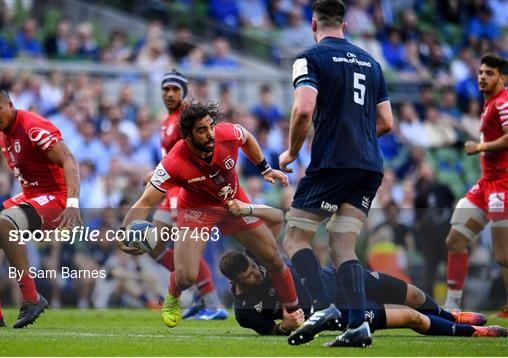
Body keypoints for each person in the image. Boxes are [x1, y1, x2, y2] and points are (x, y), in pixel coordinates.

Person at [115, 101, 299, 328]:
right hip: (196, 210)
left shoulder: (227, 133)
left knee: (273, 258)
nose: (210, 134)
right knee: (187, 277)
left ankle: (293, 312)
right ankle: (173, 294)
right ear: (188, 136)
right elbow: (146, 200)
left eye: (210, 126)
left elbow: (247, 137)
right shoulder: (174, 162)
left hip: (233, 203)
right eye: (202, 130)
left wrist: (264, 167)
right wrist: (123, 233)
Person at [220, 200, 507, 343]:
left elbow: (276, 218)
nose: (258, 274)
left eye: (256, 269)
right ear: (236, 282)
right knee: (411, 317)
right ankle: (474, 333)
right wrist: (287, 326)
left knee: (415, 295)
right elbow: (274, 332)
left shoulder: (257, 257)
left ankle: (451, 315)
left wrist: (247, 209)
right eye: (251, 277)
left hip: (337, 278)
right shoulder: (245, 310)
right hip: (337, 313)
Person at [278, 0, 393, 347]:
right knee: (343, 243)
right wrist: (359, 138)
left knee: (295, 236)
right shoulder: (372, 63)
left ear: (314, 24)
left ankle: (322, 306)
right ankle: (358, 325)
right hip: (369, 165)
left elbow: (302, 111)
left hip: (332, 162)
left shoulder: (310, 58)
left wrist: (293, 151)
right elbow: (387, 122)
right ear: (345, 25)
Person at [0, 88, 81, 328]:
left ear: (10, 105)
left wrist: (72, 202)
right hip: (32, 195)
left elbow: (69, 160)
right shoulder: (2, 133)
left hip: (56, 197)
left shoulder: (33, 126)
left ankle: (32, 298)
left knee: (5, 223)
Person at [144, 70, 226, 320]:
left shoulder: (187, 120)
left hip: (182, 191)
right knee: (154, 246)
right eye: (166, 89)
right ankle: (199, 292)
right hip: (170, 189)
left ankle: (212, 304)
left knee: (186, 249)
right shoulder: (168, 120)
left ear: (184, 92)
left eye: (175, 90)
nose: (170, 94)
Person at [444, 54, 508, 314]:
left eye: (489, 73)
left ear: (502, 78)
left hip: (503, 186)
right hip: (485, 186)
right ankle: (451, 307)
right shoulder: (488, 103)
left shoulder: (503, 102)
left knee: (503, 257)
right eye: (481, 72)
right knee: (455, 239)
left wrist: (480, 146)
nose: (482, 76)